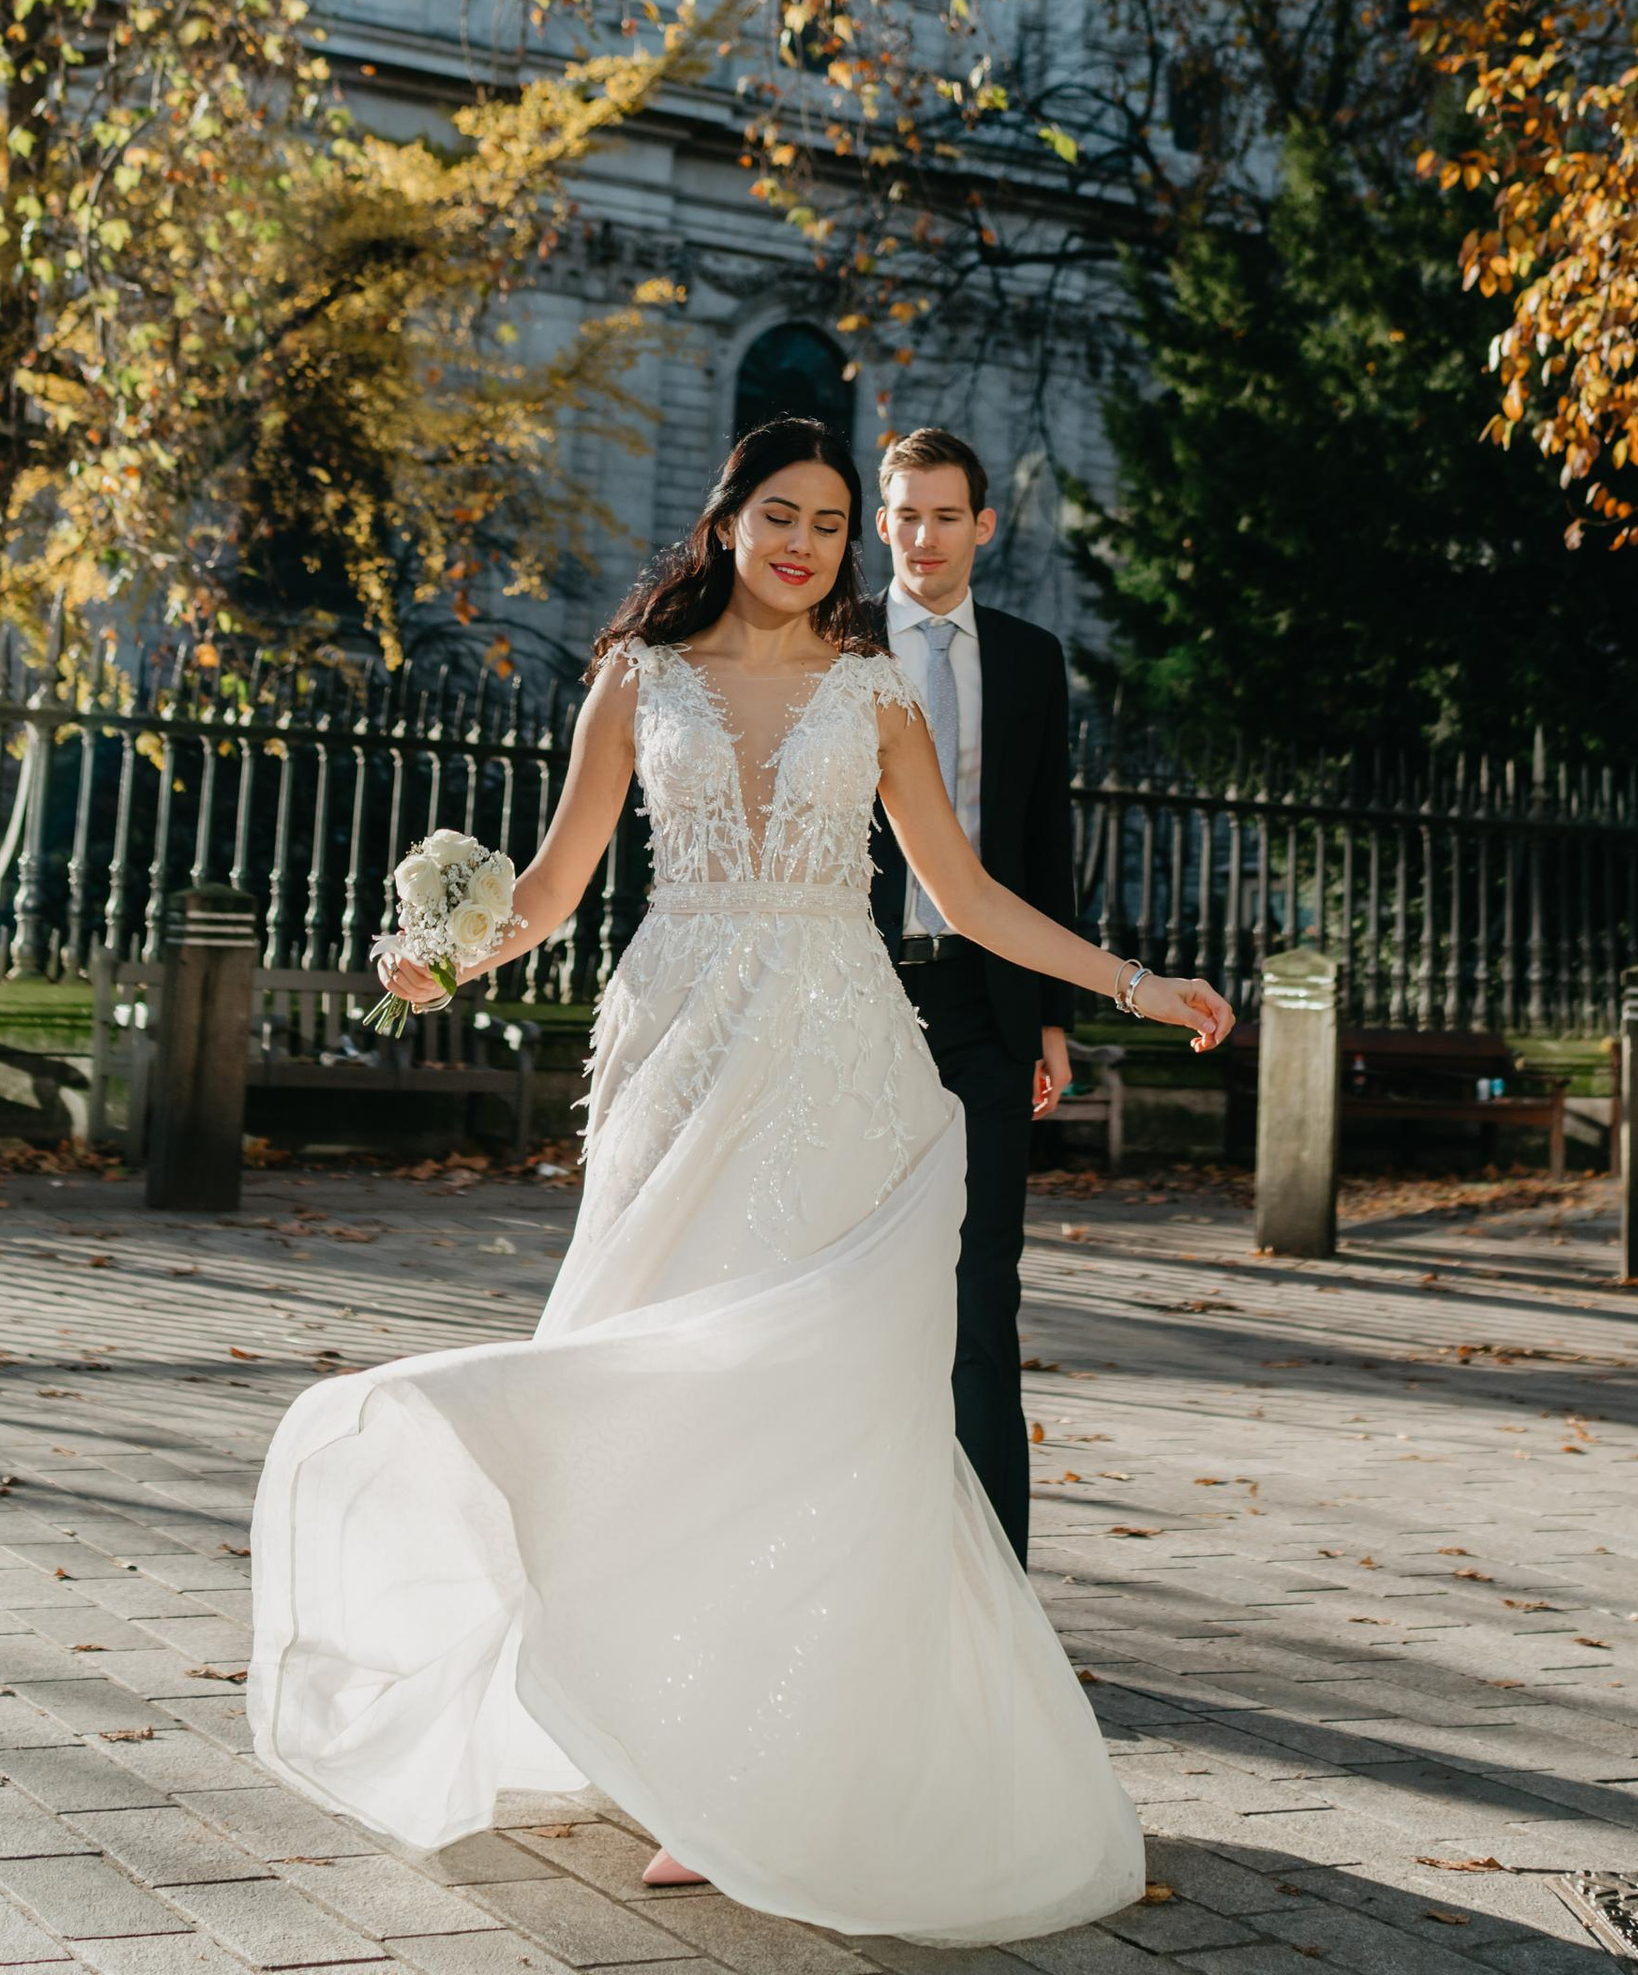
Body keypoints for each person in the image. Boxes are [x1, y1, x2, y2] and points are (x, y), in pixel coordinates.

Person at [249, 414, 1232, 1946]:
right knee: (660, 1367)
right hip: (684, 1051)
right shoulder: (636, 681)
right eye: (783, 513)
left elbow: (968, 894)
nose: (806, 543)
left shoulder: (876, 692)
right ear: (726, 523)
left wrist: (1130, 982)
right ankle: (664, 1722)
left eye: (832, 526)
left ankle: (776, 1758)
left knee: (824, 1396)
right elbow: (558, 887)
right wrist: (445, 952)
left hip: (842, 1063)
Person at [871, 424, 1076, 1565]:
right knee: (850, 1285)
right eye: (904, 513)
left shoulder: (1031, 658)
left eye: (946, 514)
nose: (925, 535)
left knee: (979, 1288)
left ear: (982, 526)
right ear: (883, 519)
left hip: (988, 1010)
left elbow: (1045, 843)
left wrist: (1053, 1014)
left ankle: (992, 1579)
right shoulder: (832, 645)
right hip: (852, 1000)